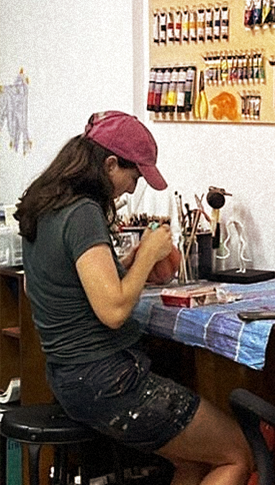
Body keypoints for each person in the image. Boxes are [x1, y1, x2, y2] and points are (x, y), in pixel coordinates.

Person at [14, 111, 253, 485]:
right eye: (134, 175)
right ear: (110, 164)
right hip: (106, 382)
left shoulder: (44, 205)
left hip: (69, 379)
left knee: (191, 461)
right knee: (237, 454)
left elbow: (44, 284)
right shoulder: (83, 212)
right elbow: (112, 311)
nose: (131, 187)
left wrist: (120, 266)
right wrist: (146, 255)